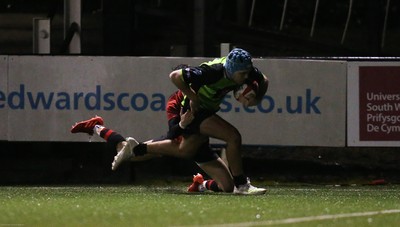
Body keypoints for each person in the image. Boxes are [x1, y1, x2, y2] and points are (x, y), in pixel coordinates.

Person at [71, 48, 269, 194]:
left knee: (225, 186)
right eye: (242, 75)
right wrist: (192, 97)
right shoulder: (213, 72)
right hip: (194, 110)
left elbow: (264, 81)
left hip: (204, 111)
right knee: (231, 137)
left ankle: (99, 128)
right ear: (232, 70)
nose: (245, 78)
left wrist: (255, 97)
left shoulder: (246, 71)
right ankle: (243, 184)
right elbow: (175, 76)